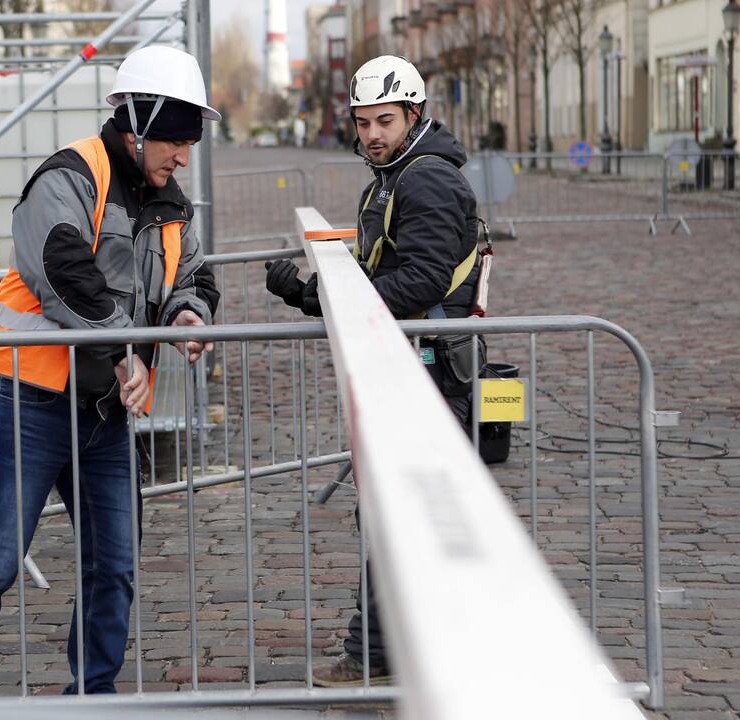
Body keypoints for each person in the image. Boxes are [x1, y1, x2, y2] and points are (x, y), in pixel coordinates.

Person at [0, 45, 220, 696]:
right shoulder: (70, 175)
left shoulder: (172, 204)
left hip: (104, 416)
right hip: (30, 402)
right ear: (138, 123)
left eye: (191, 142)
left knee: (114, 565)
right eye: (175, 140)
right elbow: (62, 272)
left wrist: (189, 317)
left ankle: (93, 697)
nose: (184, 156)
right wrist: (122, 355)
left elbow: (190, 275)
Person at [264, 55, 483, 687]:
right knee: (397, 513)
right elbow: (378, 273)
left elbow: (419, 281)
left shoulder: (426, 181)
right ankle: (405, 650)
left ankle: (381, 654)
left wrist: (318, 296)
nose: (370, 135)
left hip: (433, 371)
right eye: (361, 124)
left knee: (400, 514)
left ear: (415, 114)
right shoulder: (391, 178)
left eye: (383, 121)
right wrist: (310, 292)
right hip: (409, 363)